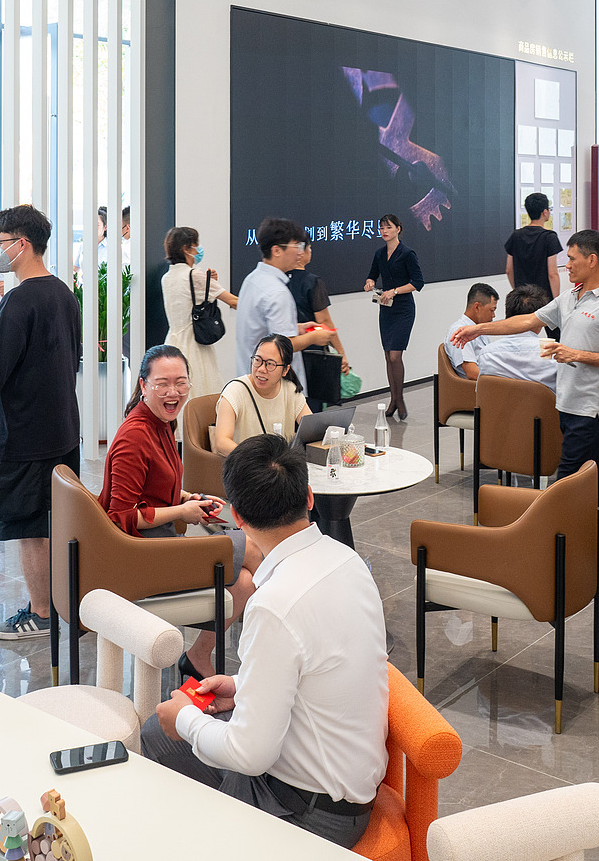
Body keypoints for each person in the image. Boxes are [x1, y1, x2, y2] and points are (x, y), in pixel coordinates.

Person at [146, 435, 388, 847]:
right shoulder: (346, 559)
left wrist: (185, 719)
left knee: (161, 732)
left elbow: (249, 755)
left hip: (309, 814)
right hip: (345, 788)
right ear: (309, 497)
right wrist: (243, 687)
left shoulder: (274, 605)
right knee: (160, 731)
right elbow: (321, 668)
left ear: (236, 517)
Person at [453, 231, 599, 565]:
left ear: (592, 260)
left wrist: (573, 353)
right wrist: (479, 329)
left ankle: (535, 547)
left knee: (562, 482)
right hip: (567, 403)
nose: (567, 266)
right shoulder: (570, 298)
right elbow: (528, 321)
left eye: (573, 259)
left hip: (590, 407)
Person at [0, 205, 83, 641]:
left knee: (30, 529)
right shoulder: (64, 294)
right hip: (63, 429)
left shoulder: (18, 300)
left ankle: (42, 614)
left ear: (21, 244)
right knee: (56, 522)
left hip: (27, 435)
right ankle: (58, 604)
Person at [103, 345, 251, 678]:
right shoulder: (135, 436)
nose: (174, 392)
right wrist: (182, 511)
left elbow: (154, 489)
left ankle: (198, 656)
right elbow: (122, 515)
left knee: (246, 582)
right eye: (163, 384)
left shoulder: (160, 423)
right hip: (146, 554)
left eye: (181, 382)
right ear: (143, 385)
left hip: (162, 542)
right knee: (255, 547)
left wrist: (189, 497)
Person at [235, 218, 334, 394]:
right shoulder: (277, 292)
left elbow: (262, 329)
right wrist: (314, 339)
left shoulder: (252, 280)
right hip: (274, 387)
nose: (299, 253)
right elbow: (282, 345)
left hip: (251, 378)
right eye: (295, 246)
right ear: (276, 250)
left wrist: (297, 328)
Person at [161, 225, 239, 401]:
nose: (199, 249)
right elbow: (233, 301)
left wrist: (209, 283)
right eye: (196, 245)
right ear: (186, 248)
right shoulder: (195, 275)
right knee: (202, 395)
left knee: (176, 397)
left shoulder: (167, 278)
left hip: (172, 344)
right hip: (195, 347)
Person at [363, 214, 425, 421]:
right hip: (386, 309)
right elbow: (372, 274)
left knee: (395, 356)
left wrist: (396, 291)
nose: (384, 231)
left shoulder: (407, 253)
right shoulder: (379, 253)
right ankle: (394, 399)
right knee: (387, 356)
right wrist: (370, 283)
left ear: (398, 229)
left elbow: (418, 282)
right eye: (381, 228)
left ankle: (399, 399)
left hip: (403, 309)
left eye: (388, 227)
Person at [217, 335, 315, 454]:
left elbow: (312, 430)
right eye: (258, 360)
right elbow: (222, 442)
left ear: (285, 370)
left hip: (281, 466)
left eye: (270, 364)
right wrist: (254, 459)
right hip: (246, 467)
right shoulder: (235, 391)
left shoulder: (290, 390)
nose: (261, 369)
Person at [287, 234, 350, 409]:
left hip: (285, 350)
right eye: (310, 248)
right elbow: (324, 321)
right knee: (311, 405)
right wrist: (341, 353)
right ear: (302, 252)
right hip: (312, 349)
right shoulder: (312, 282)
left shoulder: (279, 281)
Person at [471, 284, 560, 389]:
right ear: (540, 319)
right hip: (543, 405)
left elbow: (483, 393)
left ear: (507, 315)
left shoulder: (486, 354)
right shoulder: (554, 352)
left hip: (497, 405)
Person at [505, 193, 564, 299]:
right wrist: (557, 301)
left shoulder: (516, 236)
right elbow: (552, 273)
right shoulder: (549, 237)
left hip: (522, 299)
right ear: (544, 212)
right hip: (543, 299)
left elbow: (508, 270)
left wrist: (518, 292)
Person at [445, 283, 500, 381]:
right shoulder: (459, 332)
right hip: (475, 388)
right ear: (477, 307)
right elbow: (472, 373)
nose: (493, 315)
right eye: (491, 310)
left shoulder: (479, 328)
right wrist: (502, 380)